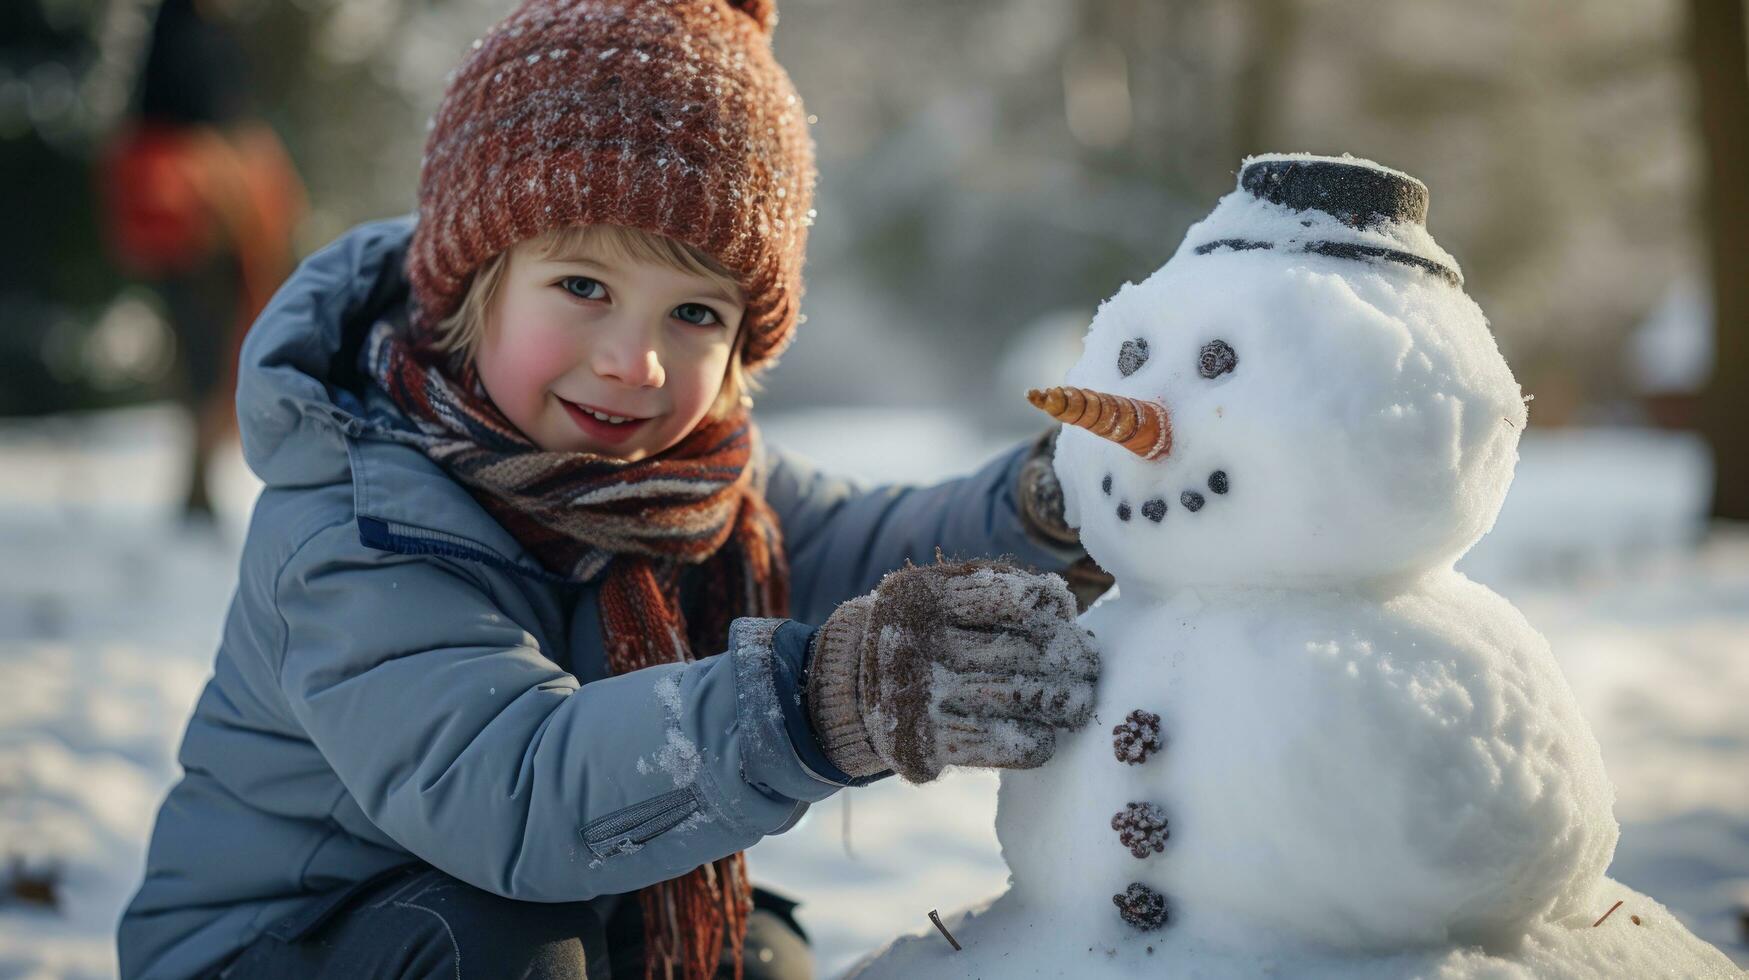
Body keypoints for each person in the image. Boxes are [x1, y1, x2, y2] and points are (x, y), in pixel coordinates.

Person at [117, 1, 1103, 977]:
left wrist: (1053, 505)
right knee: (505, 952)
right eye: (584, 286)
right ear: (470, 283)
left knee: (752, 952)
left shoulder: (689, 483)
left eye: (691, 311)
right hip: (280, 948)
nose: (634, 360)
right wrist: (819, 702)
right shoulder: (358, 521)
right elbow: (512, 786)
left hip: (541, 898)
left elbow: (864, 542)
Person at [98, 0, 306, 519]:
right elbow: (194, 120)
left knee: (211, 351)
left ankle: (198, 480)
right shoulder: (184, 34)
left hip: (203, 217)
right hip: (195, 218)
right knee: (207, 352)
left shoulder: (198, 32)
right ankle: (197, 481)